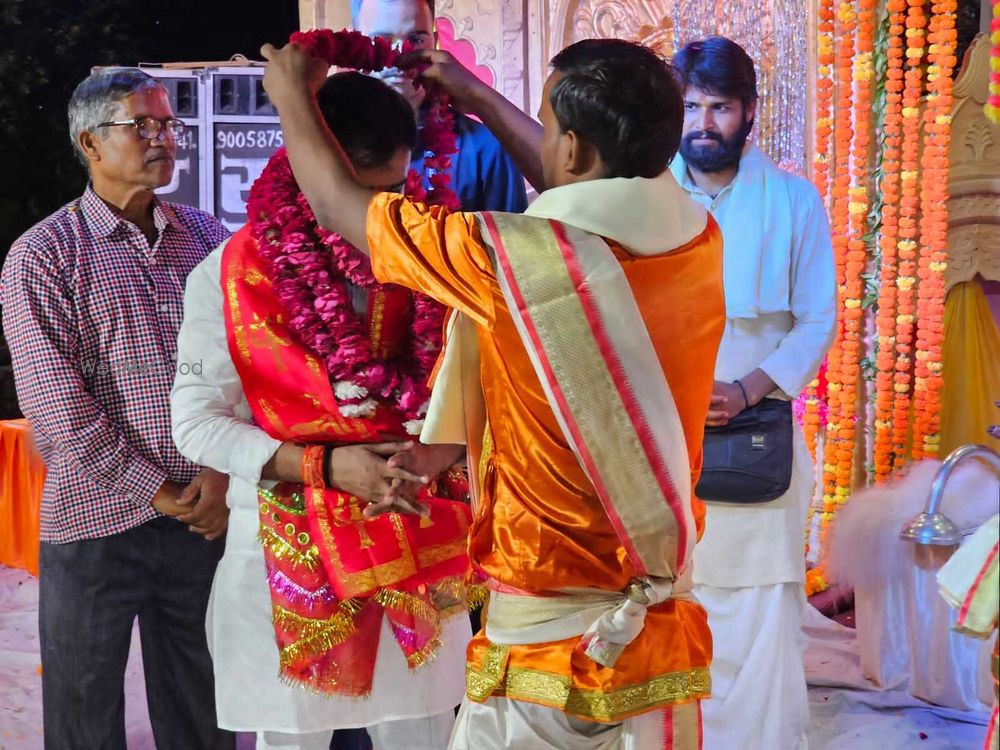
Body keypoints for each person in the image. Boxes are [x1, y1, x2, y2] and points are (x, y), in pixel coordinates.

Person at [261, 37, 726, 749]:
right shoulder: (698, 238)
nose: (542, 142)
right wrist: (477, 95)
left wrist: (291, 93)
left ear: (570, 149)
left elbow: (334, 204)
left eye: (548, 122)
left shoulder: (509, 256)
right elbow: (581, 193)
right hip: (654, 598)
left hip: (548, 616)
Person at [170, 72, 475, 750]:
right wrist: (326, 467)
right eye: (366, 190)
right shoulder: (229, 273)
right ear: (311, 165)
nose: (380, 211)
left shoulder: (430, 255)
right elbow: (193, 423)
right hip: (286, 556)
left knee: (422, 736)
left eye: (396, 189)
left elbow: (479, 392)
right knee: (294, 740)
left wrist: (441, 451)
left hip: (415, 544)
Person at [0, 68, 232, 749]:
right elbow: (57, 410)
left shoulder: (208, 239)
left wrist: (219, 476)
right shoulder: (42, 256)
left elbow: (247, 367)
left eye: (169, 125)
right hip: (94, 520)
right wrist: (160, 491)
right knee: (82, 711)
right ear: (91, 143)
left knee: (203, 706)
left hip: (203, 514)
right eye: (144, 126)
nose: (163, 139)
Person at [669, 37, 837, 750]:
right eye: (691, 107)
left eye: (720, 108)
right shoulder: (645, 199)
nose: (703, 123)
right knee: (675, 598)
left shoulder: (795, 201)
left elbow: (817, 320)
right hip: (668, 438)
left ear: (749, 113)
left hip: (759, 436)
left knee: (765, 606)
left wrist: (744, 390)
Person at [352, 0, 528, 214]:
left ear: (434, 43)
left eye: (415, 39)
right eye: (381, 39)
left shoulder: (488, 150)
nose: (399, 54)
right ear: (355, 44)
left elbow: (508, 245)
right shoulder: (330, 143)